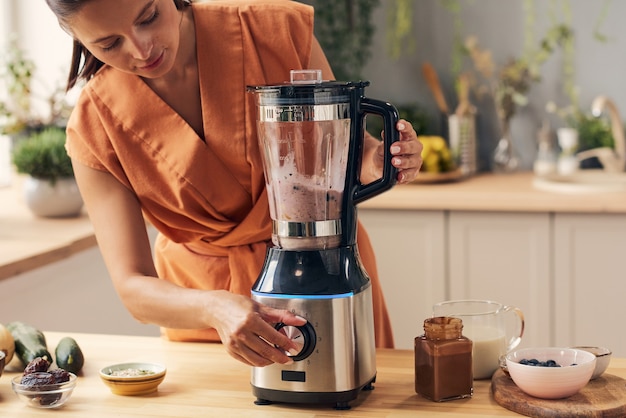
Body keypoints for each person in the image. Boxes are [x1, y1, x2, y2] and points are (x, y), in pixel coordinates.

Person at [44, 0, 423, 367]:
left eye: (149, 17)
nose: (142, 49)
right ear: (74, 35)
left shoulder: (274, 29)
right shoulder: (94, 126)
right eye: (109, 43)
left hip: (324, 267)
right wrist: (215, 307)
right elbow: (133, 287)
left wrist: (383, 160)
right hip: (201, 310)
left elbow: (341, 149)